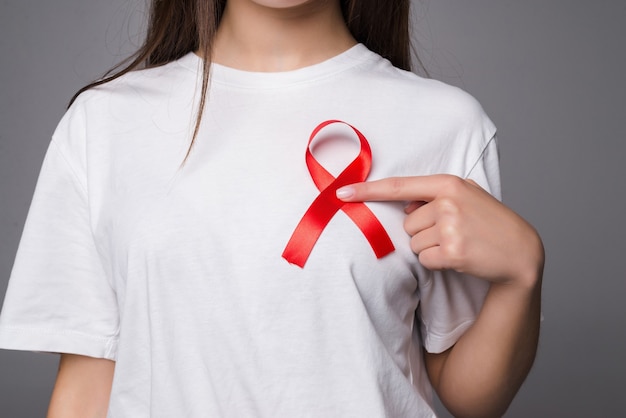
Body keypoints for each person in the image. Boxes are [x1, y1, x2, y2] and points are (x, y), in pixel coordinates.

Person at [0, 0, 544, 417]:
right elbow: (90, 383)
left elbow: (469, 396)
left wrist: (522, 273)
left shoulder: (443, 124)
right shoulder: (103, 126)